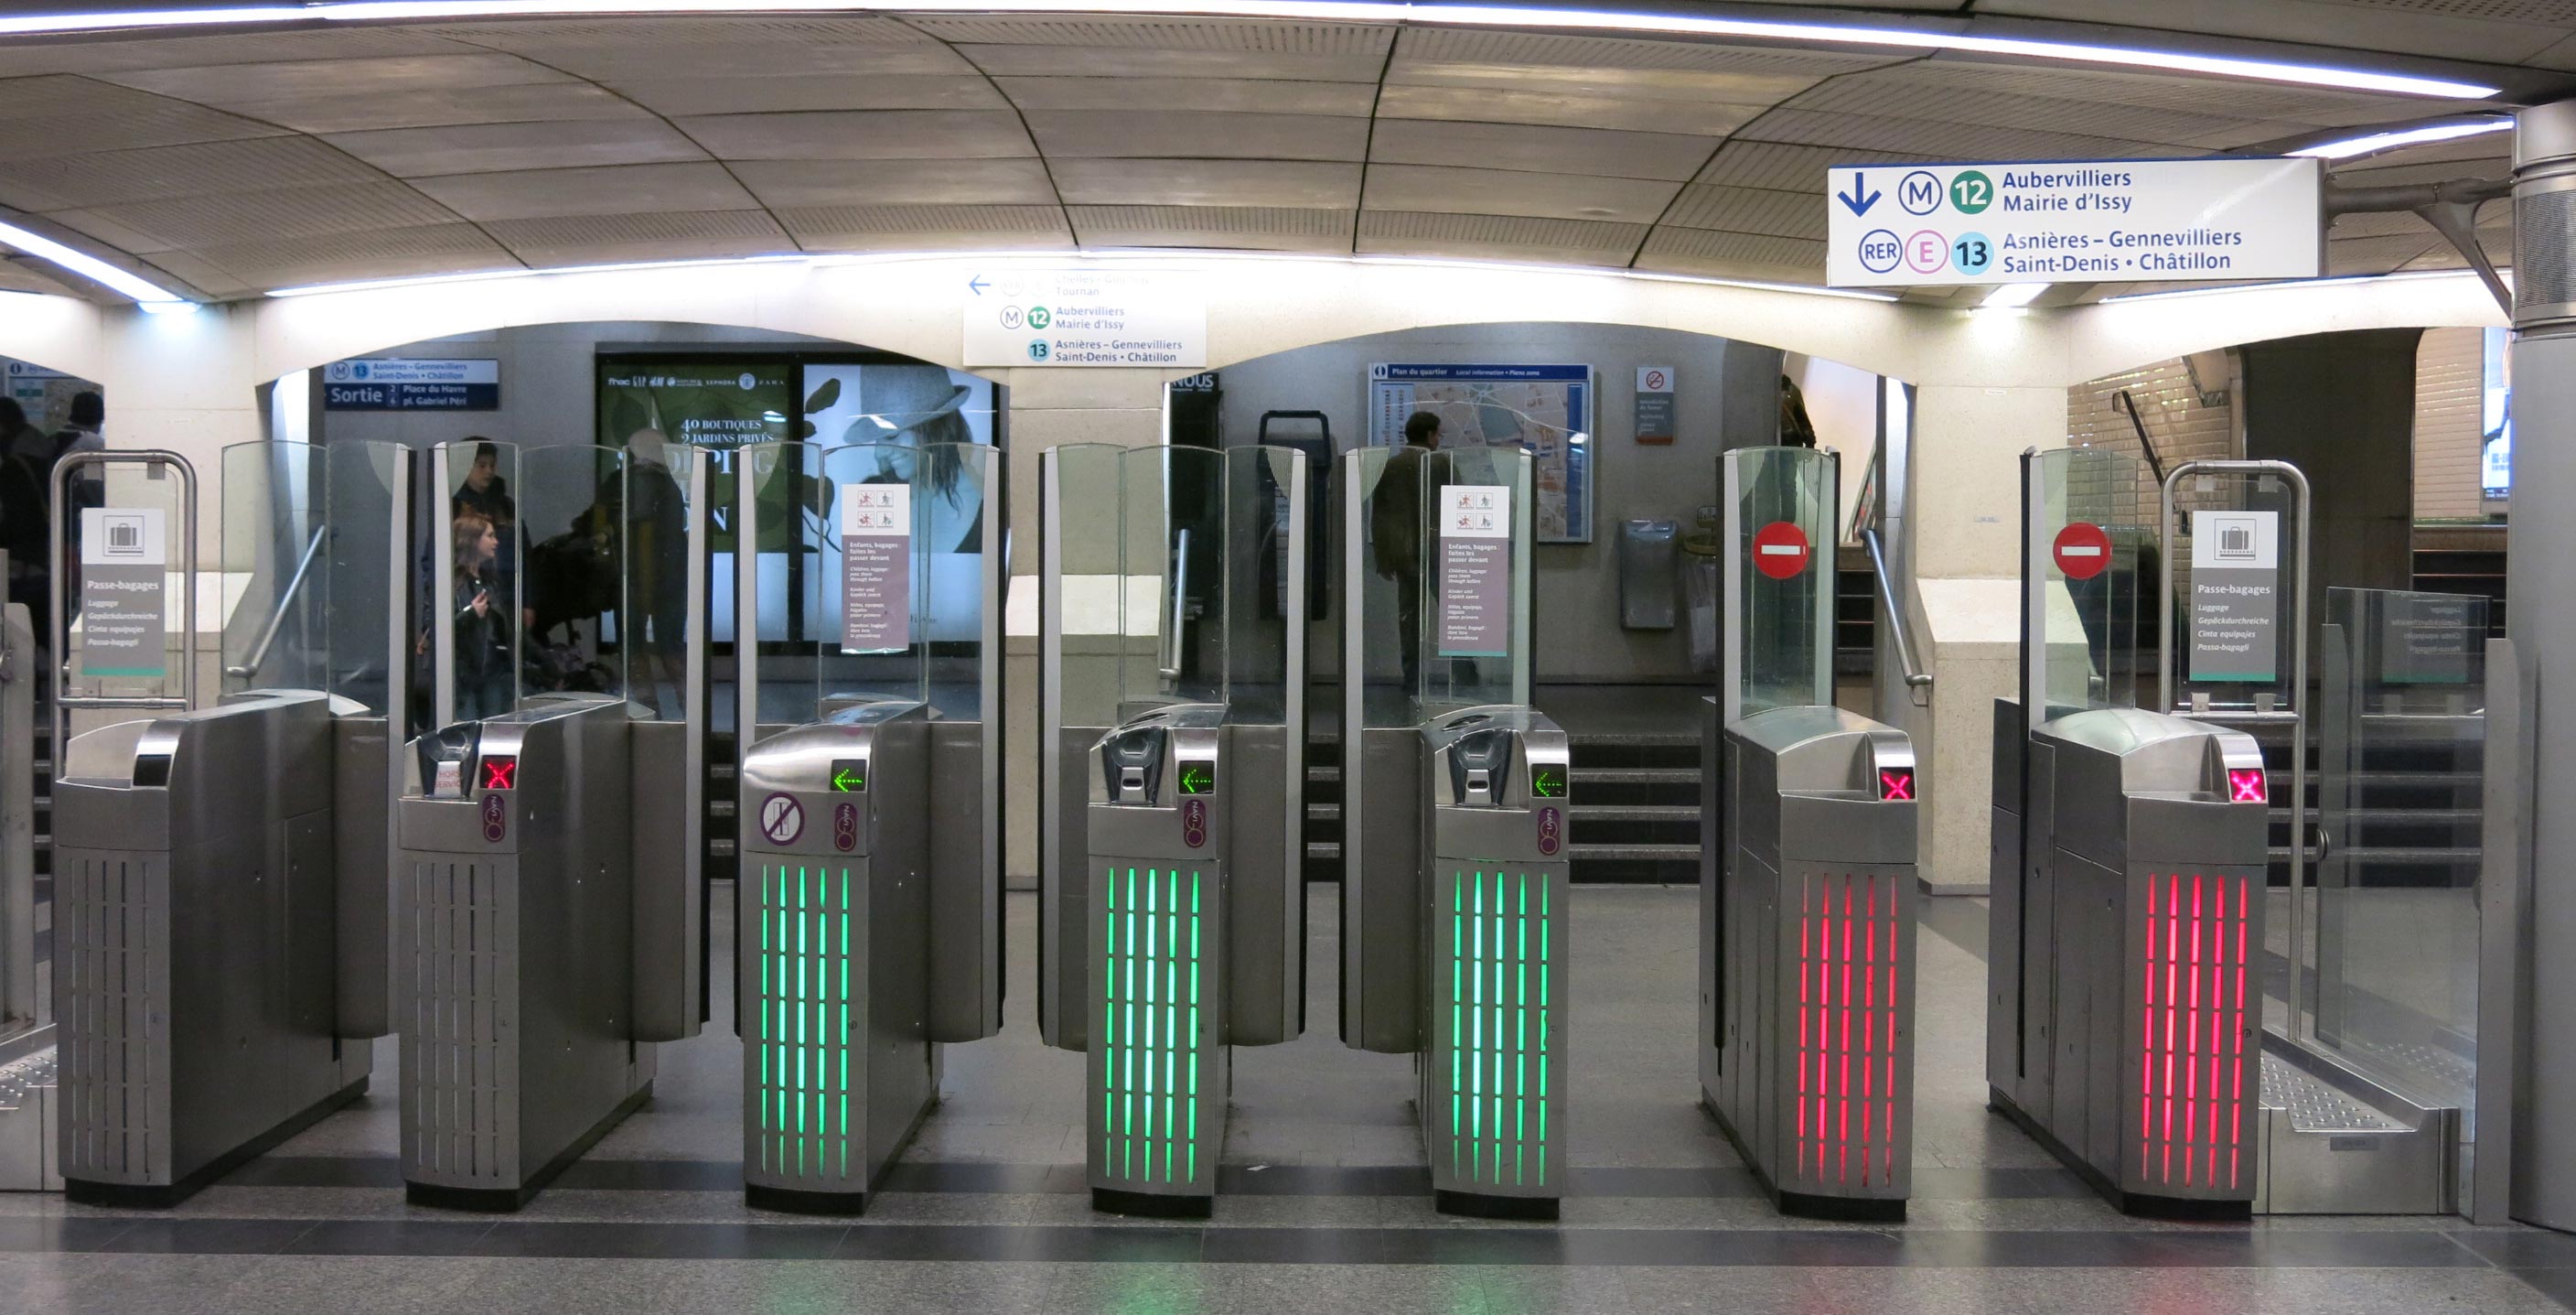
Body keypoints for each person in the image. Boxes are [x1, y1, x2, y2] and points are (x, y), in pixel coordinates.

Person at [1372, 409, 1441, 692]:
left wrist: (1383, 558)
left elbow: (1380, 516)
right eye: (1437, 434)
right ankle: (1466, 675)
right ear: (1429, 435)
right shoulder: (1442, 464)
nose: (1439, 439)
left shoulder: (1391, 466)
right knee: (1459, 615)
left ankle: (1412, 680)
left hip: (1404, 555)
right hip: (1439, 554)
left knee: (1409, 620)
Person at [444, 508, 514, 721]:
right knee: (467, 732)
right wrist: (470, 613)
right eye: (490, 536)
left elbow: (505, 628)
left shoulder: (489, 581)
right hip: (462, 676)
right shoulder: (450, 581)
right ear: (473, 540)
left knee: (492, 732)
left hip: (493, 673)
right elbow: (437, 629)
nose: (496, 542)